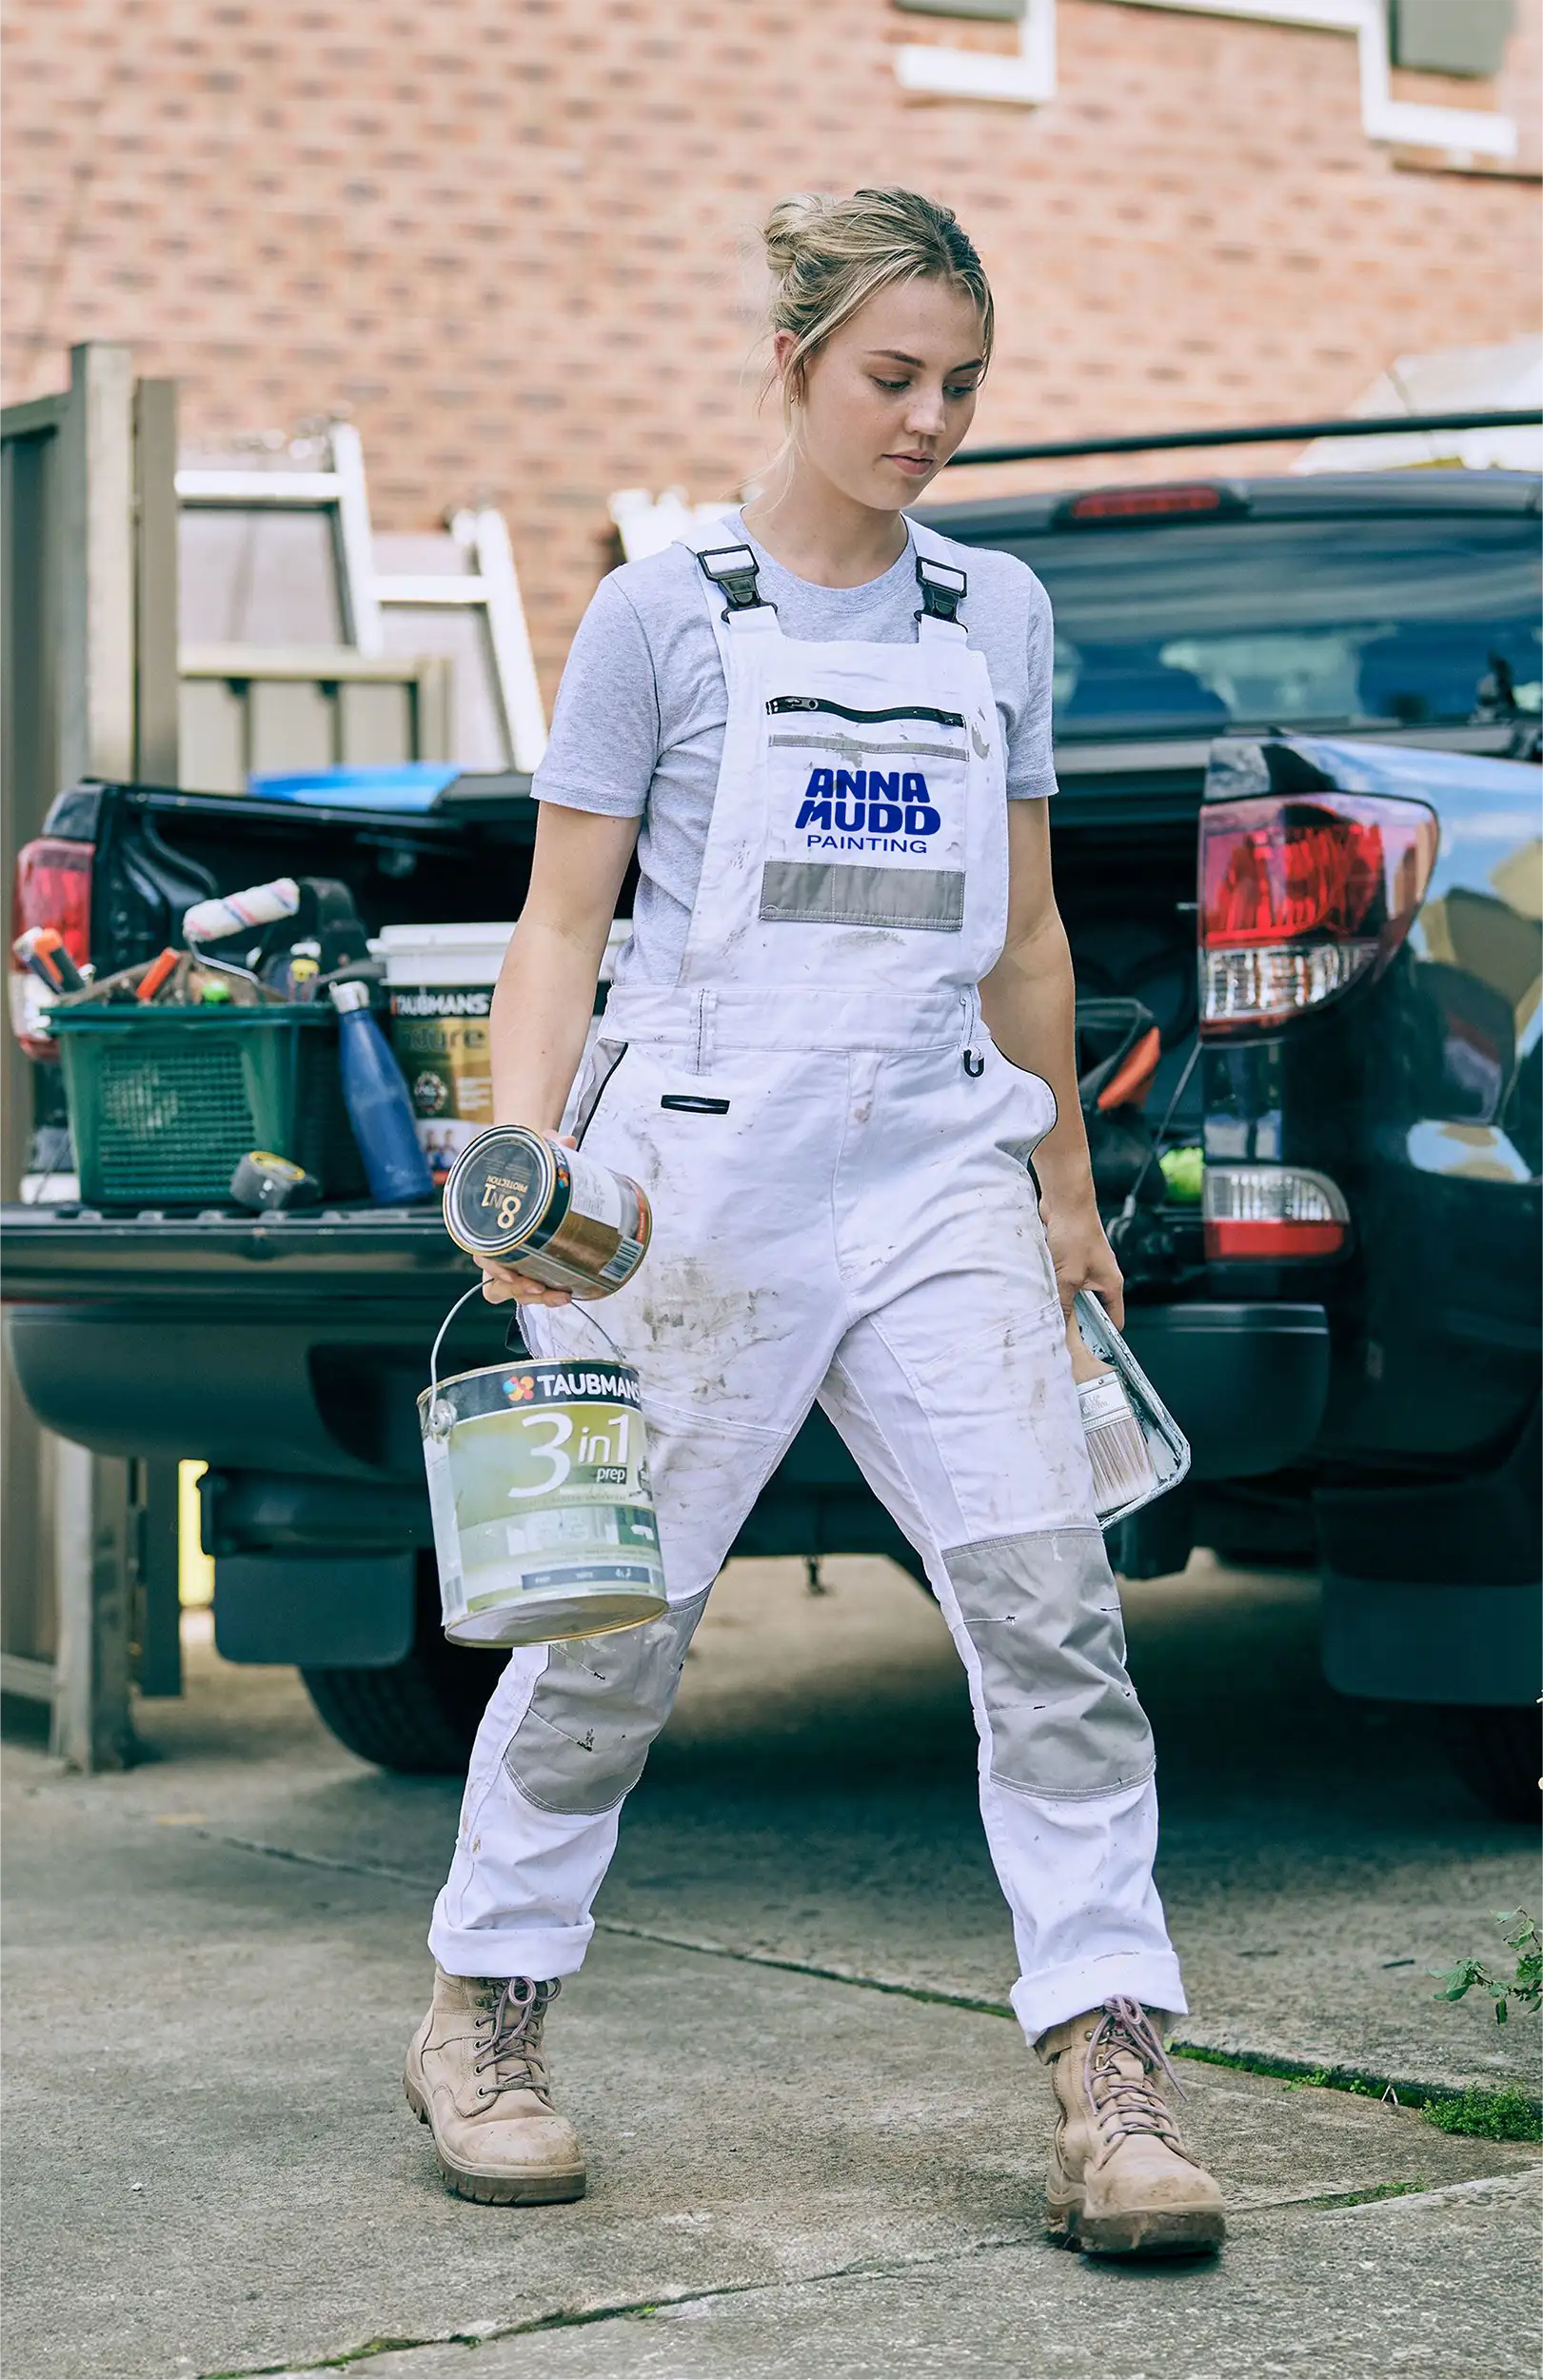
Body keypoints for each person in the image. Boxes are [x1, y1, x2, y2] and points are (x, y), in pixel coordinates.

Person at [405, 188, 1225, 2259]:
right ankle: (482, 2012)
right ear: (787, 365)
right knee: (610, 1627)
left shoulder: (996, 618)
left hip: (937, 1160)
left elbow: (1027, 930)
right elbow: (561, 922)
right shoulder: (663, 612)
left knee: (1052, 1613)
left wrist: (1064, 1188)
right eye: (892, 377)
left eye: (962, 382)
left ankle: (1109, 2068)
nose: (931, 418)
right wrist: (525, 1165)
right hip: (698, 1174)